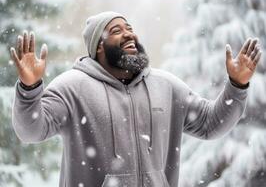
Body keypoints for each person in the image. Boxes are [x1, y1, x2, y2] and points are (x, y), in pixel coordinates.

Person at [10, 11, 262, 187]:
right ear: (99, 45)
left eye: (130, 29)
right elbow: (31, 130)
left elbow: (211, 123)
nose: (129, 34)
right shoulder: (72, 87)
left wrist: (237, 85)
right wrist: (29, 87)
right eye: (117, 30)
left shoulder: (167, 86)